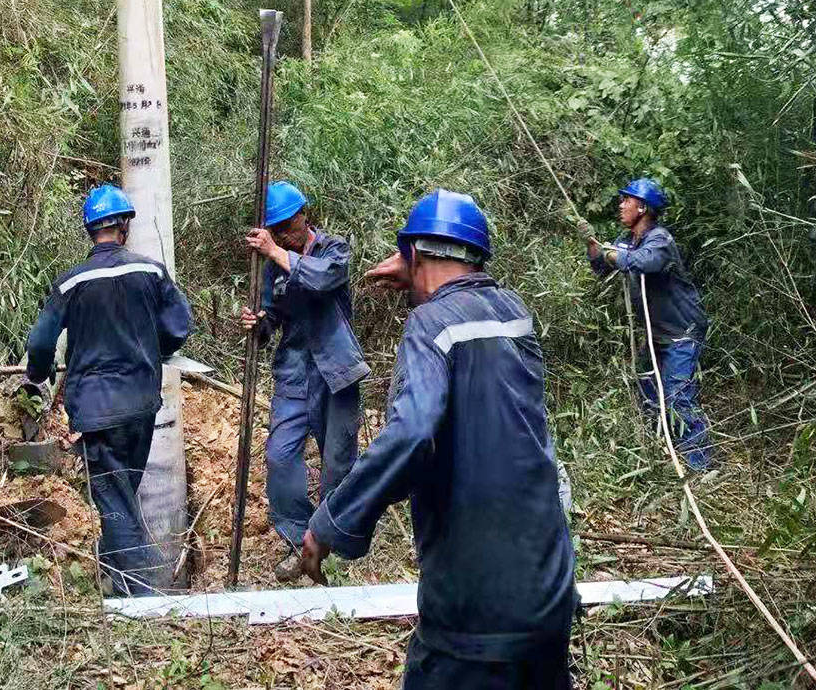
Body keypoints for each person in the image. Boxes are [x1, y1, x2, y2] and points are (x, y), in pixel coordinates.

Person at [301, 189, 577, 689]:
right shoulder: (515, 313)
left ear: (415, 253)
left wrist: (330, 524)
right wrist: (417, 264)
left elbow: (411, 432)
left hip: (475, 608)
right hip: (549, 588)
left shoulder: (430, 324)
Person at [23, 183, 192, 596]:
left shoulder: (70, 283)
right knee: (121, 488)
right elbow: (178, 327)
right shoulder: (150, 272)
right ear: (125, 226)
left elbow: (41, 343)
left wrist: (37, 376)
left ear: (89, 230)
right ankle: (119, 579)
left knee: (114, 498)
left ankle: (143, 596)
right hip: (141, 404)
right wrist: (154, 352)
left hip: (98, 409)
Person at [241, 180, 369, 583]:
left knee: (338, 465)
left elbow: (320, 281)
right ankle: (299, 541)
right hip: (294, 375)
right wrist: (257, 324)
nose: (282, 236)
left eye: (286, 227)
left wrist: (276, 253)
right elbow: (270, 321)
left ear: (304, 216)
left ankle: (331, 543)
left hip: (337, 372)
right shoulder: (273, 265)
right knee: (280, 457)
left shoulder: (334, 250)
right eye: (275, 231)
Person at [581, 177, 712, 472]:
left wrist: (610, 252)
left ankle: (700, 466)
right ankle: (661, 448)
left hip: (682, 331)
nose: (621, 204)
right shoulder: (628, 240)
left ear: (642, 207)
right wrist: (592, 245)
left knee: (678, 395)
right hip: (656, 333)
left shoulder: (660, 240)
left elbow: (643, 262)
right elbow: (603, 266)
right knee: (647, 385)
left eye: (626, 200)